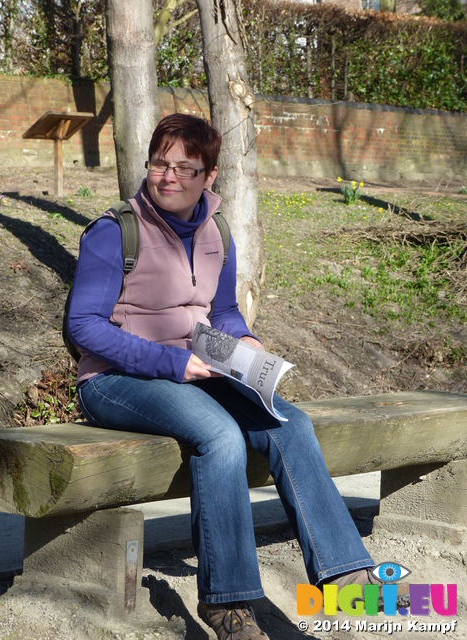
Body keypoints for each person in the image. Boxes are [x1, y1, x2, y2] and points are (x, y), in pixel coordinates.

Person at [66, 113, 409, 640]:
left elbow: (221, 311)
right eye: (160, 163)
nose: (168, 176)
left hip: (197, 369)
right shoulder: (115, 231)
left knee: (289, 423)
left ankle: (345, 576)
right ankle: (231, 604)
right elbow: (83, 326)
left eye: (185, 167)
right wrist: (171, 363)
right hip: (115, 381)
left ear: (210, 176)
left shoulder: (215, 229)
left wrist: (243, 339)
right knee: (220, 436)